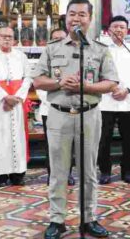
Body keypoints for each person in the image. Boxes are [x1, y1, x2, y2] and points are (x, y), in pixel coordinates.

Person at [32, 0, 118, 239]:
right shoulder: (52, 48)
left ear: (90, 19)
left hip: (89, 116)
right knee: (58, 171)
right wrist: (60, 82)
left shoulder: (100, 50)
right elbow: (38, 80)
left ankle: (88, 218)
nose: (76, 18)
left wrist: (87, 87)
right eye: (72, 14)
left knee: (88, 171)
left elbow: (111, 82)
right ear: (66, 17)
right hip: (59, 116)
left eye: (82, 14)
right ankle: (57, 220)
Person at [0, 26, 33, 187]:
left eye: (10, 37)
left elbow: (28, 77)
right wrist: (5, 97)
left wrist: (17, 97)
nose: (6, 39)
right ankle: (0, 175)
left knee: (18, 136)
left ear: (14, 39)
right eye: (3, 36)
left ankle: (18, 173)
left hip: (17, 102)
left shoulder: (21, 56)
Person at [97, 15, 130, 185]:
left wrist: (127, 89)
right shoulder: (101, 49)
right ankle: (105, 172)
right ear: (109, 30)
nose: (118, 30)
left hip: (128, 101)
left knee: (129, 140)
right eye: (115, 26)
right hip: (106, 102)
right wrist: (111, 87)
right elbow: (96, 72)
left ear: (127, 31)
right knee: (104, 139)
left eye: (122, 27)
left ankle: (127, 171)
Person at [37, 28, 76, 186]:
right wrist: (54, 100)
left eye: (62, 38)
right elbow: (39, 86)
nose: (59, 41)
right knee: (51, 145)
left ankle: (68, 174)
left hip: (70, 108)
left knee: (69, 144)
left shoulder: (74, 57)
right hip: (50, 108)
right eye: (55, 39)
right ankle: (52, 174)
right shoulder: (45, 57)